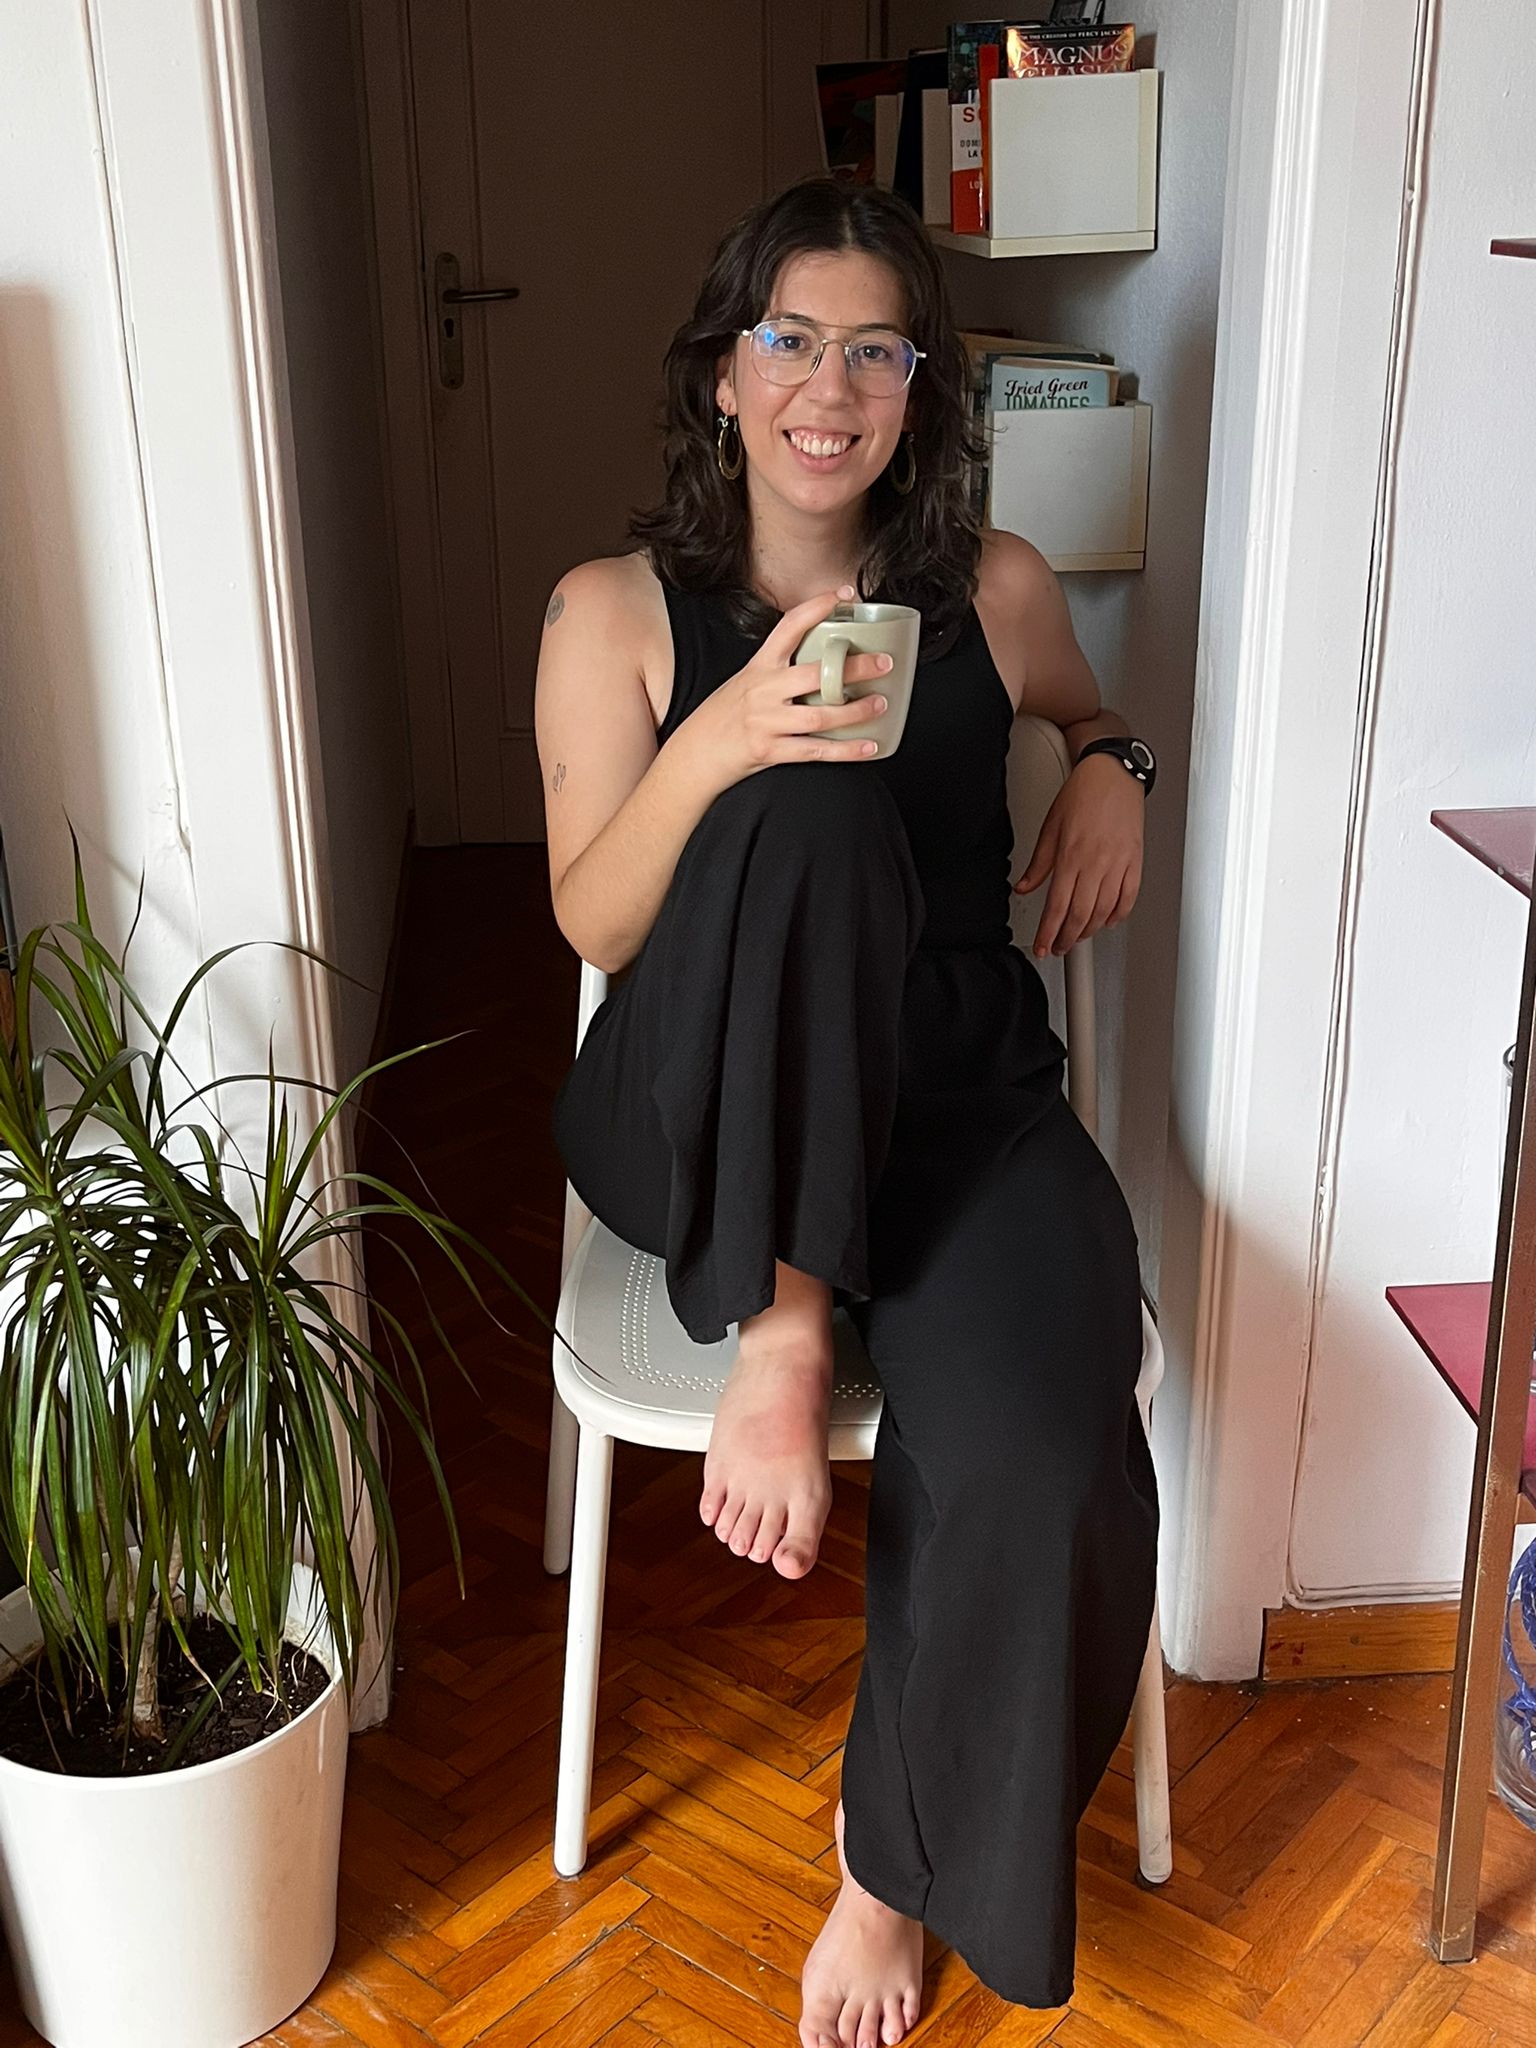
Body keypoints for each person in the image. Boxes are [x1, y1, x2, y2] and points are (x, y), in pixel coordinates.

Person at [536, 173, 1160, 2048]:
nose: (831, 386)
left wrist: (1113, 765)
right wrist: (727, 737)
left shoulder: (993, 590)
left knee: (1052, 1448)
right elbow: (595, 919)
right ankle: (786, 1332)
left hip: (953, 1101)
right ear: (724, 373)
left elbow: (1090, 709)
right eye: (790, 340)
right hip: (704, 1102)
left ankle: (889, 1871)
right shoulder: (614, 610)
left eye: (876, 351)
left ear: (920, 386)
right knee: (808, 801)